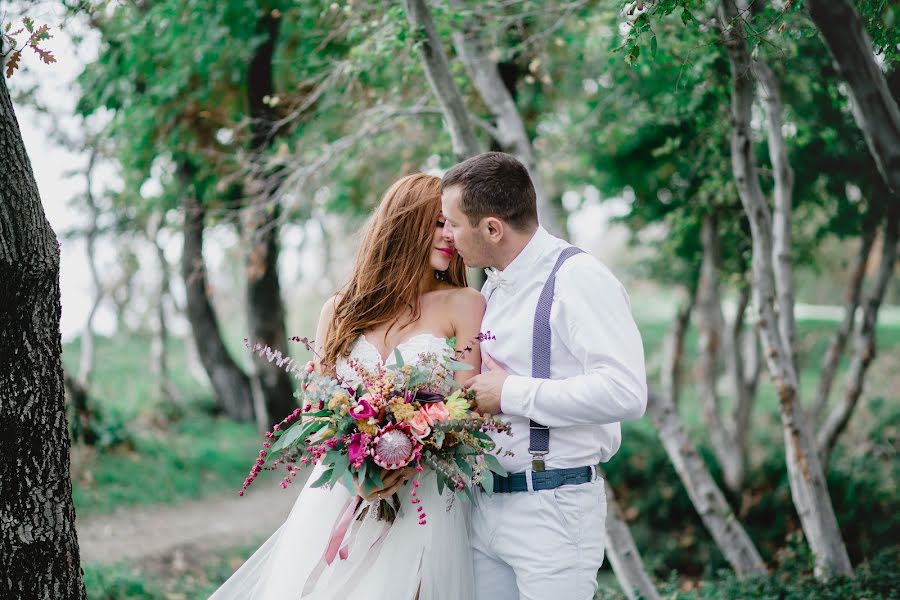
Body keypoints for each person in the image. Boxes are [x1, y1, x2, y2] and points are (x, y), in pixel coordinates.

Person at [210, 173, 486, 599]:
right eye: (436, 223)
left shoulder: (465, 304)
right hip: (342, 489)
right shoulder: (341, 309)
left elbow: (468, 407)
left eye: (452, 224)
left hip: (423, 496)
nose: (449, 236)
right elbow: (318, 411)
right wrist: (357, 476)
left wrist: (407, 453)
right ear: (402, 225)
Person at [440, 152, 648, 600]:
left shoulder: (579, 278)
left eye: (453, 224)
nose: (448, 236)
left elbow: (626, 391)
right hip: (485, 504)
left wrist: (511, 392)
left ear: (492, 228)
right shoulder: (492, 285)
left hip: (553, 509)